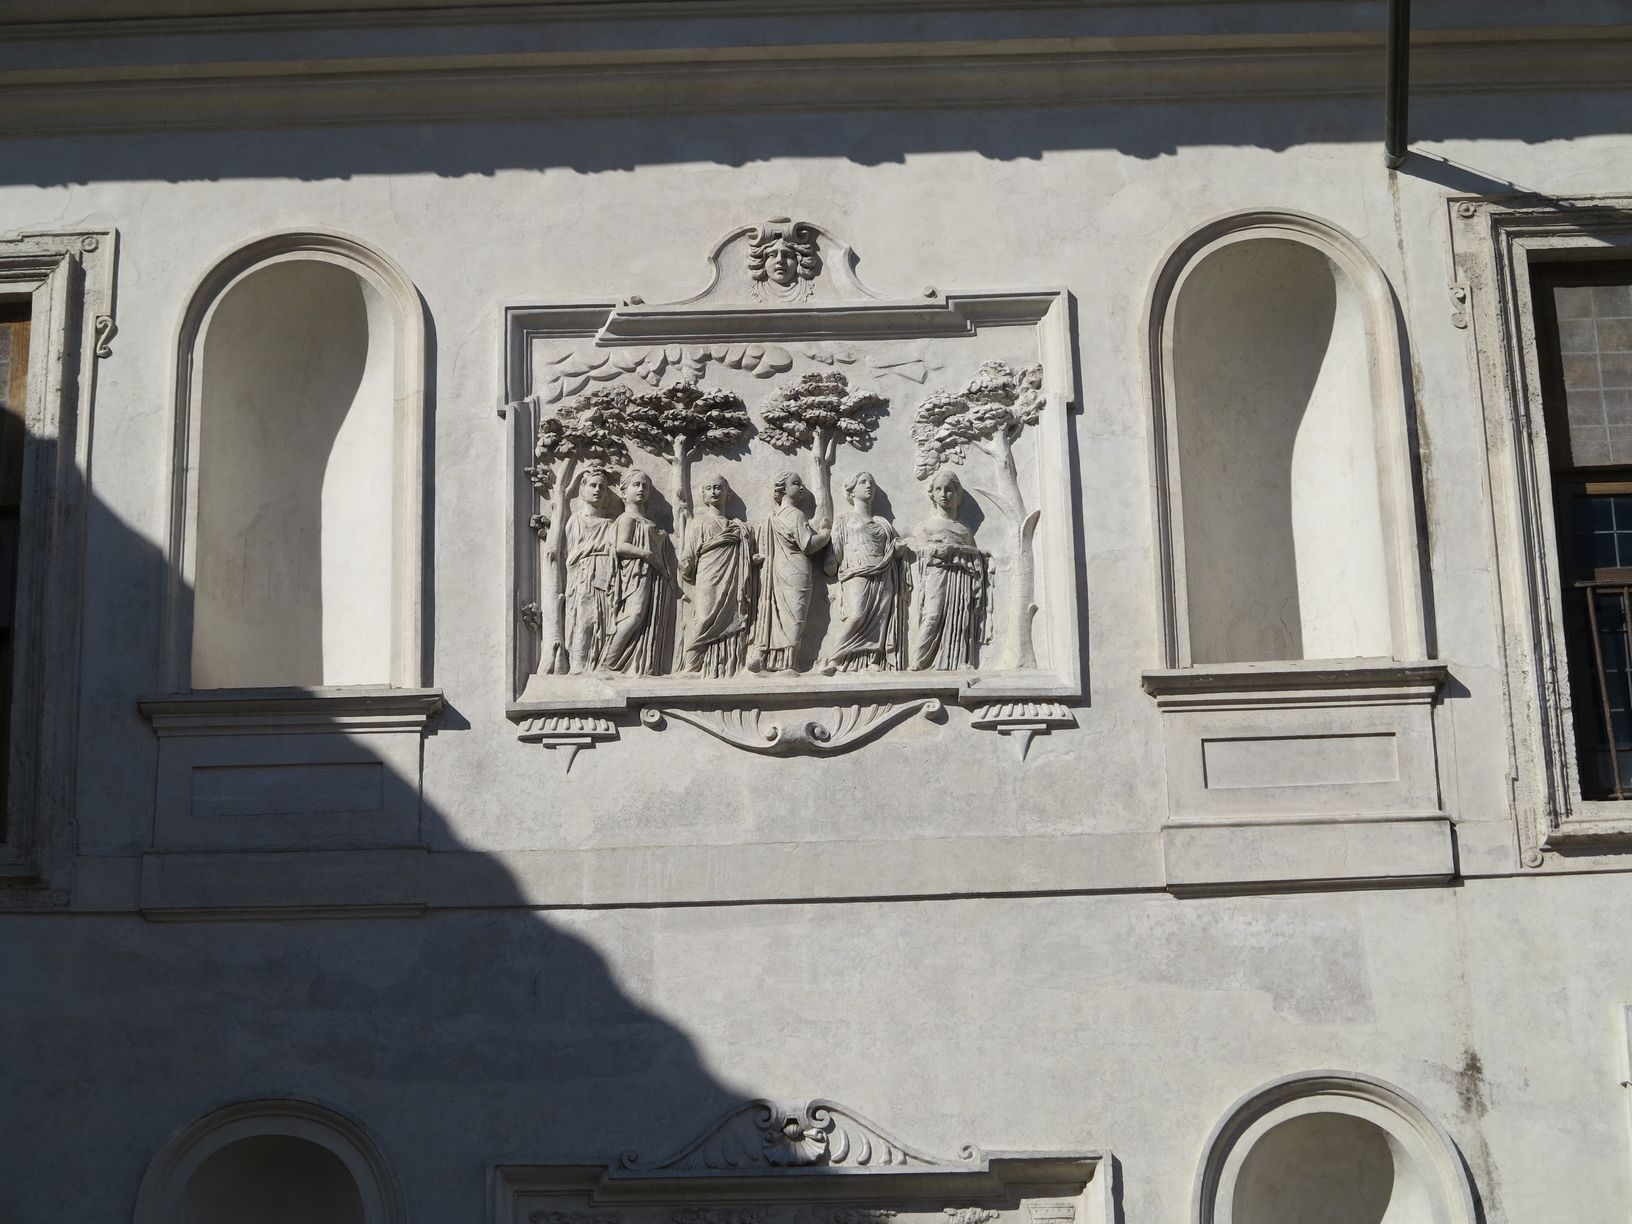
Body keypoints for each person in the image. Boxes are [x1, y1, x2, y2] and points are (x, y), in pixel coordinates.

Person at [822, 471, 907, 673]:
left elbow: (893, 549)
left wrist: (898, 549)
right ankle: (833, 658)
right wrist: (829, 562)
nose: (869, 486)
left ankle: (873, 660)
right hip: (856, 573)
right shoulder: (844, 520)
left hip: (883, 575)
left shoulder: (883, 523)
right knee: (856, 615)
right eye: (863, 482)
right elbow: (836, 551)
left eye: (872, 483)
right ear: (852, 491)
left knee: (880, 618)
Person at [748, 470, 830, 673]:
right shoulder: (795, 515)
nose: (801, 487)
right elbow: (808, 545)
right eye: (795, 483)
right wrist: (825, 535)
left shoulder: (773, 517)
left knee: (785, 615)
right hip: (794, 571)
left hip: (781, 570)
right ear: (783, 489)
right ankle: (787, 663)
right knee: (794, 617)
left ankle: (779, 661)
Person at [678, 473, 754, 678]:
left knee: (731, 618)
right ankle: (692, 665)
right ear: (703, 495)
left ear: (728, 494)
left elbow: (745, 554)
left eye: (718, 487)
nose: (714, 492)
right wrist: (685, 566)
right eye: (709, 488)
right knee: (704, 618)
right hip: (708, 576)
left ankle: (723, 666)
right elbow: (688, 555)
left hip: (733, 577)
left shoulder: (738, 526)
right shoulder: (699, 523)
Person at [603, 469, 679, 675]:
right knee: (634, 615)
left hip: (652, 576)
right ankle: (608, 662)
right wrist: (646, 554)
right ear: (623, 492)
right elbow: (621, 546)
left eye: (645, 486)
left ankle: (640, 665)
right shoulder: (627, 518)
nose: (641, 489)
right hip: (634, 574)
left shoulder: (650, 523)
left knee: (646, 619)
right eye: (636, 485)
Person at [910, 469, 988, 670]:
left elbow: (972, 555)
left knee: (960, 615)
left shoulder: (964, 531)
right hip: (937, 575)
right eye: (939, 489)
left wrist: (977, 556)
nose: (944, 494)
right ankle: (917, 661)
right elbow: (921, 554)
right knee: (932, 615)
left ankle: (958, 661)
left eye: (949, 489)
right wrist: (938, 550)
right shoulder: (924, 527)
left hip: (961, 577)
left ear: (958, 494)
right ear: (932, 494)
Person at [563, 465, 618, 672]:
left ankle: (598, 666)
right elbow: (570, 554)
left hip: (606, 577)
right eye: (593, 485)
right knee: (584, 619)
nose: (597, 490)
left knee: (603, 621)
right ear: (583, 489)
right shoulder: (575, 520)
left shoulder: (610, 524)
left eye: (602, 487)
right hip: (583, 576)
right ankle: (578, 665)